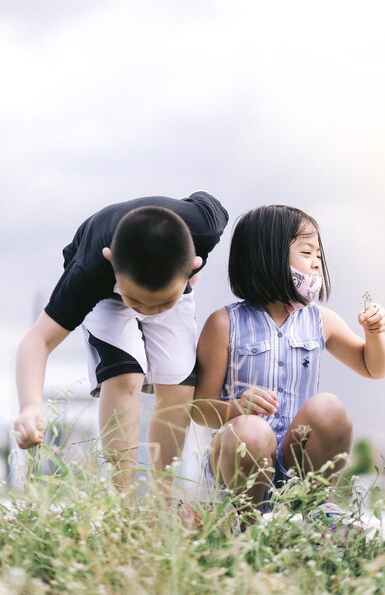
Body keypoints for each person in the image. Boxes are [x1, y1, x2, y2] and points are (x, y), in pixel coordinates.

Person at [14, 191, 229, 493]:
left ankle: (162, 496)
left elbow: (208, 200)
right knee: (126, 375)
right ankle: (122, 499)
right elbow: (36, 341)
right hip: (106, 294)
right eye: (136, 302)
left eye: (159, 305)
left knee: (179, 383)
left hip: (170, 275)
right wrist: (30, 407)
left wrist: (183, 283)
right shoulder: (89, 273)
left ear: (194, 263)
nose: (146, 312)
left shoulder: (203, 226)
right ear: (110, 259)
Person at [193, 204, 385, 519]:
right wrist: (236, 408)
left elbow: (372, 367)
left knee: (330, 408)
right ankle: (248, 520)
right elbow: (199, 408)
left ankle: (313, 508)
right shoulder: (224, 324)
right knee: (251, 430)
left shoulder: (321, 320)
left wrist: (374, 332)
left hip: (296, 459)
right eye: (307, 253)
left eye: (319, 257)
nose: (315, 265)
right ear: (267, 256)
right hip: (241, 460)